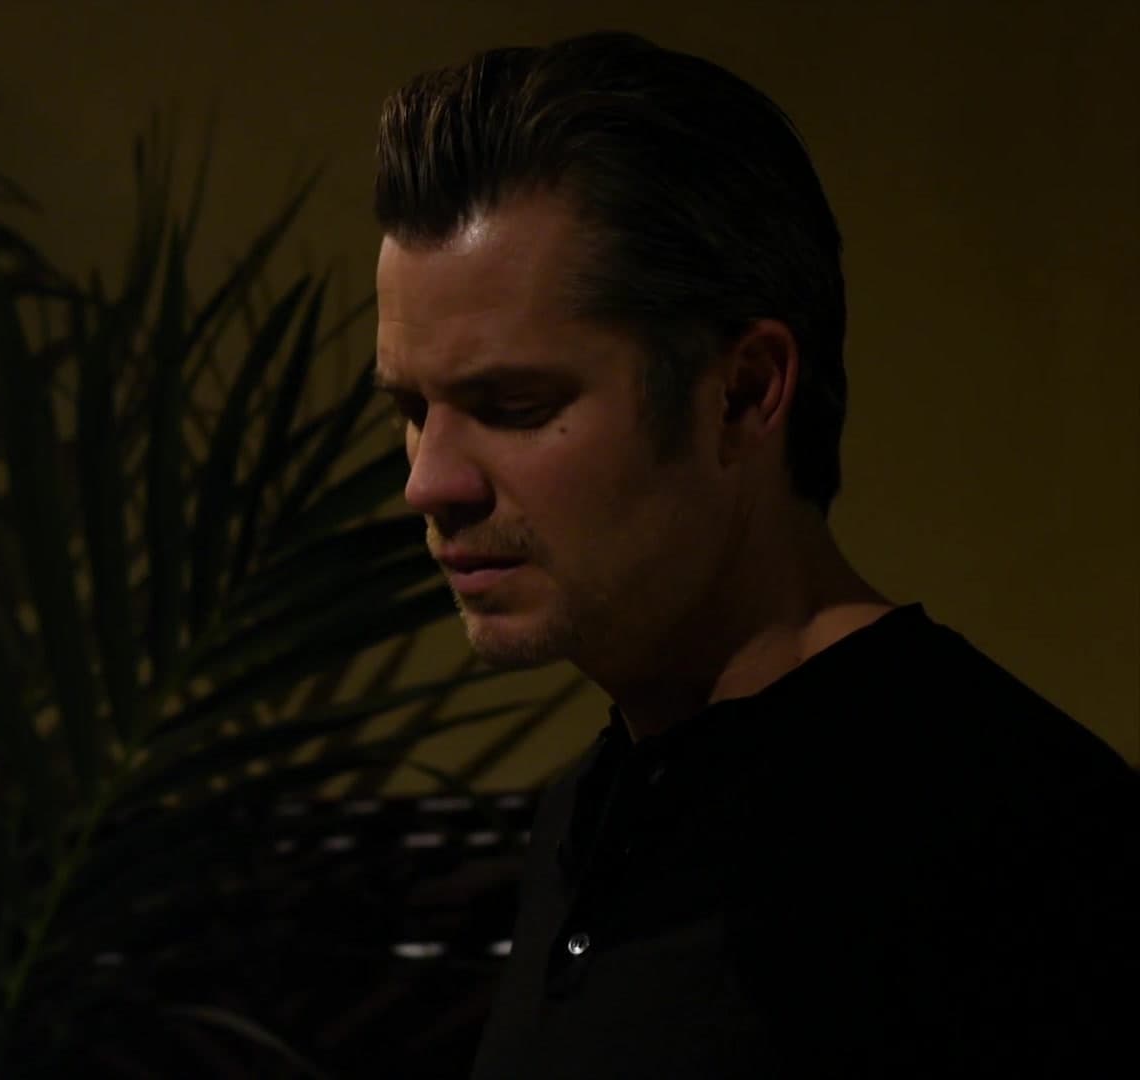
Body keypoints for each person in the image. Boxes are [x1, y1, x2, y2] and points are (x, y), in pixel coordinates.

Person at [370, 31, 1138, 1079]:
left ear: (742, 393)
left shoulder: (1017, 840)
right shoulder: (585, 817)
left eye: (513, 404)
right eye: (413, 410)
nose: (429, 481)